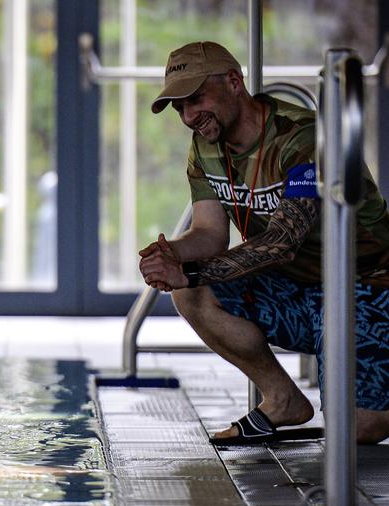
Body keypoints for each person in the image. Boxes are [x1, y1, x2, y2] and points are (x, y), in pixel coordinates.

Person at [140, 41, 389, 444]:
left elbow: (282, 242)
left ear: (234, 82)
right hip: (297, 289)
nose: (188, 116)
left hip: (365, 286)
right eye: (179, 108)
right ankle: (282, 397)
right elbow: (209, 233)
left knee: (358, 430)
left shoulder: (305, 137)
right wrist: (170, 255)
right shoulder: (206, 144)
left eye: (196, 99)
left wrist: (189, 271)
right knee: (193, 294)